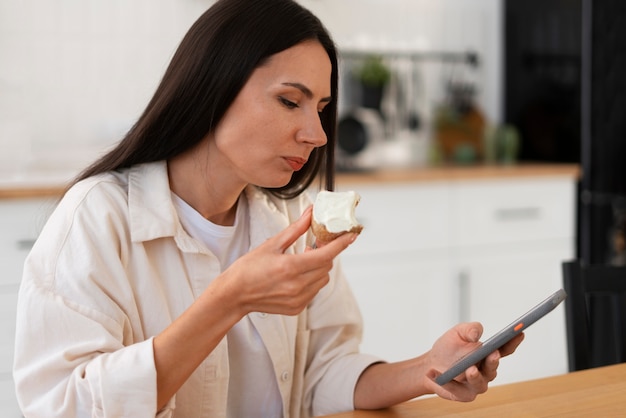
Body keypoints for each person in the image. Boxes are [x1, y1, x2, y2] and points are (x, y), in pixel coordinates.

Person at [13, 0, 523, 417]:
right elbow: (64, 407)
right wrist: (227, 300)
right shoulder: (97, 220)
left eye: (321, 109)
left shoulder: (290, 222)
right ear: (213, 87)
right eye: (289, 101)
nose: (318, 134)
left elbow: (322, 376)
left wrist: (426, 370)